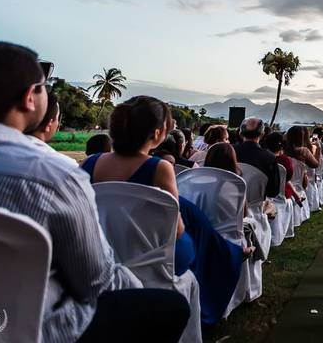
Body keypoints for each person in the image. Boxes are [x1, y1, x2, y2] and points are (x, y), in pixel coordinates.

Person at [0, 42, 190, 343]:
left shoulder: (72, 171)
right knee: (170, 307)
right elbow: (95, 281)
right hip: (38, 329)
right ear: (29, 98)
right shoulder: (54, 177)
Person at [83, 95, 248, 325]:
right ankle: (222, 273)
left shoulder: (88, 164)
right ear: (157, 133)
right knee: (196, 237)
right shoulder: (159, 168)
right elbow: (176, 227)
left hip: (101, 252)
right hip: (150, 260)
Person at [233, 117, 281, 198]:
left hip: (229, 203)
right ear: (262, 134)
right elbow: (273, 192)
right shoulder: (269, 158)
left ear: (240, 134)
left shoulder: (229, 152)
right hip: (255, 206)